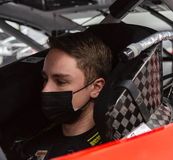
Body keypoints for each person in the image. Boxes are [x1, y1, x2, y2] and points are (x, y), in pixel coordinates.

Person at [18, 31, 112, 160]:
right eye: (45, 78)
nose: (46, 90)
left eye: (61, 81)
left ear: (96, 87)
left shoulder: (113, 148)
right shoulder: (32, 146)